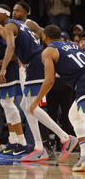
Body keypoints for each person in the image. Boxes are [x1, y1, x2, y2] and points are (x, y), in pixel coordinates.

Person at [0, 11, 78, 162]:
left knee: (32, 107)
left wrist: (4, 69)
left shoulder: (8, 26)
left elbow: (11, 46)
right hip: (34, 61)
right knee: (26, 106)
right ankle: (39, 148)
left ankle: (65, 137)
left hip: (35, 62)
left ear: (4, 15)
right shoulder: (20, 25)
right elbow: (32, 40)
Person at [31, 25, 85, 171]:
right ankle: (84, 157)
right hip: (79, 83)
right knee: (73, 116)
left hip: (82, 84)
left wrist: (36, 101)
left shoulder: (48, 51)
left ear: (45, 37)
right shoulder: (74, 45)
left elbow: (49, 80)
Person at [0, 8, 27, 159]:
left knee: (9, 104)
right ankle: (13, 142)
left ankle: (21, 143)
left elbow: (12, 45)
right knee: (5, 103)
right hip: (1, 66)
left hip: (9, 67)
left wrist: (5, 68)